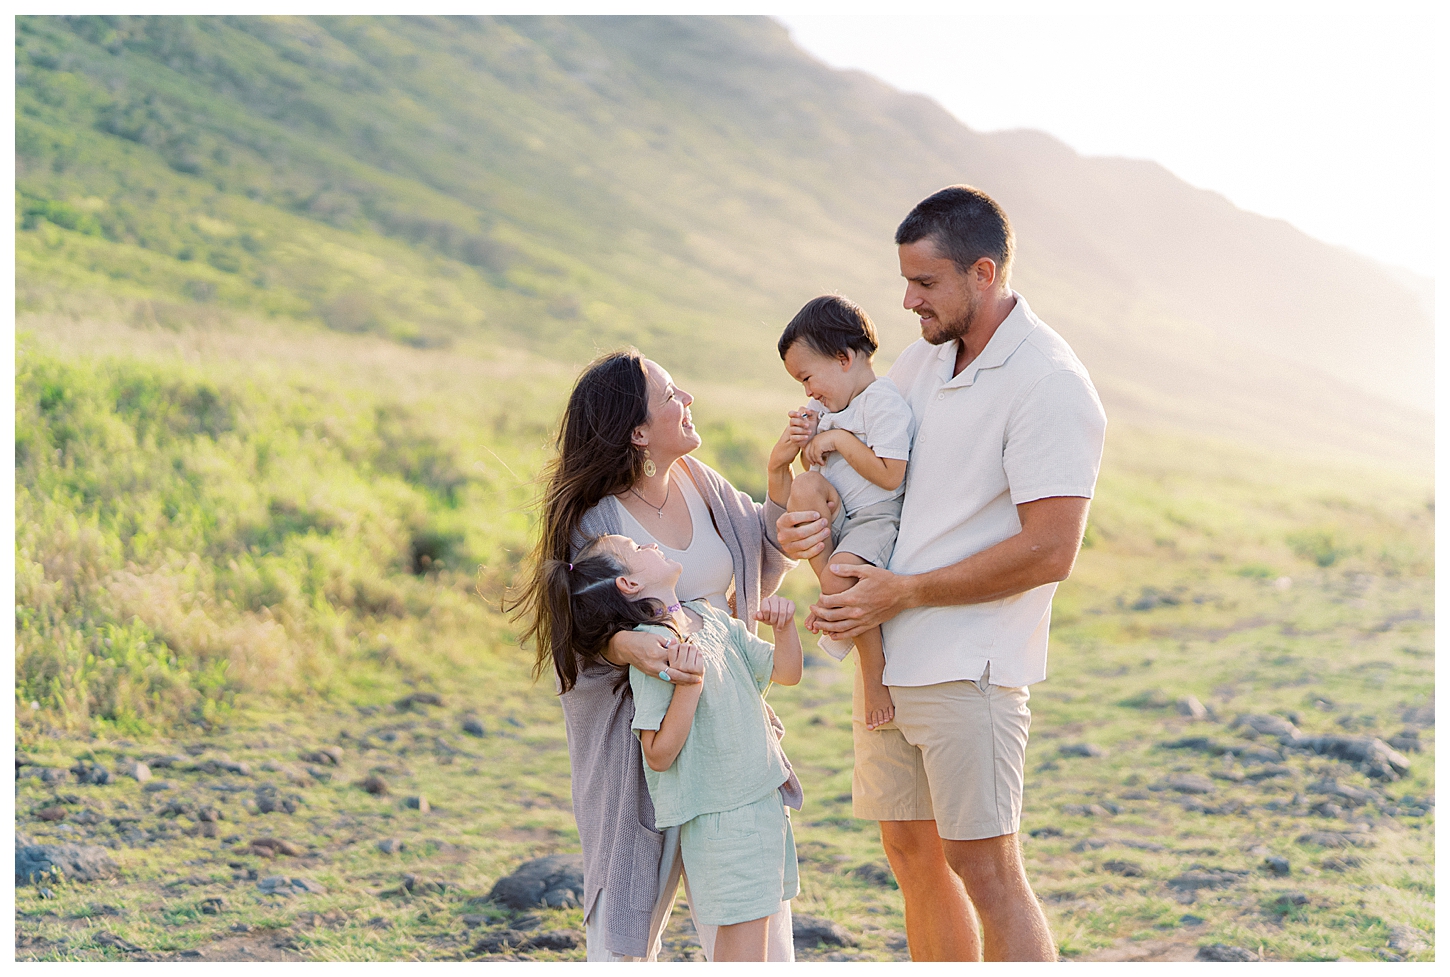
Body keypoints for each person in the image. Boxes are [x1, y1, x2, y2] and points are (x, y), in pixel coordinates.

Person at [777, 185, 1107, 961]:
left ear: (983, 273)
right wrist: (811, 505)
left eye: (925, 283)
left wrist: (911, 589)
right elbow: (873, 466)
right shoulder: (921, 360)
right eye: (906, 280)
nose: (905, 300)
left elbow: (1051, 548)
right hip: (888, 659)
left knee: (985, 868)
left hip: (972, 665)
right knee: (913, 857)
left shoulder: (1049, 382)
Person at [506, 349, 799, 962]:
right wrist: (628, 644)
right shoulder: (596, 521)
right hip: (643, 739)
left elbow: (756, 560)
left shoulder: (702, 483)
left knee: (751, 917)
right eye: (670, 395)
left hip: (725, 732)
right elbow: (577, 625)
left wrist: (783, 511)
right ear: (638, 432)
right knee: (627, 921)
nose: (686, 399)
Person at [540, 533, 803, 961]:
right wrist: (689, 687)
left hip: (764, 806)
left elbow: (787, 673)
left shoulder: (712, 620)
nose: (651, 544)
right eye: (637, 548)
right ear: (628, 584)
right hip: (722, 818)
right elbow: (658, 755)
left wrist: (785, 627)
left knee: (761, 952)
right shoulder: (654, 650)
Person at [767, 294, 914, 730]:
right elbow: (806, 476)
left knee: (843, 570)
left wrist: (840, 441)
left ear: (844, 358)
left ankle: (872, 669)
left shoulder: (882, 402)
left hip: (873, 518)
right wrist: (801, 441)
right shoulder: (823, 409)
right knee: (808, 485)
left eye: (808, 377)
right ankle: (833, 600)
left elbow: (891, 476)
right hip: (839, 514)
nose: (808, 391)